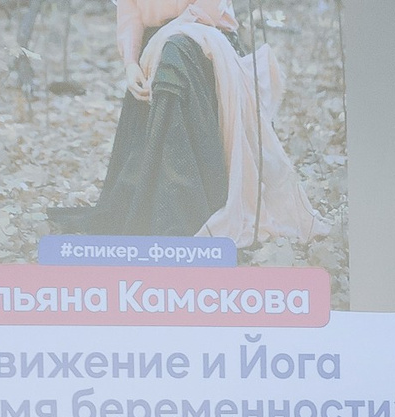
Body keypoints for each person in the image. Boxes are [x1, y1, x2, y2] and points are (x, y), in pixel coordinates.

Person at [55, 0, 328, 247]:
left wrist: (164, 37)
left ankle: (185, 213)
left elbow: (209, 9)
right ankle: (152, 212)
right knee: (167, 60)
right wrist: (130, 63)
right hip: (155, 44)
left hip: (203, 35)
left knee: (173, 60)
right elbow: (129, 11)